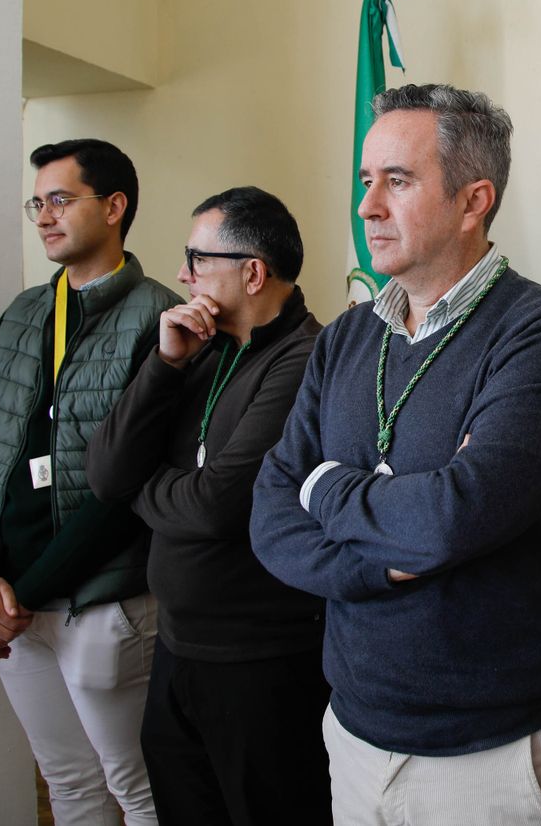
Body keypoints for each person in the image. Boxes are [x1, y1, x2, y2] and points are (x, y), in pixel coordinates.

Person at [250, 83, 541, 826]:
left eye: (397, 181)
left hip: (493, 753)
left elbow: (447, 519)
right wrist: (383, 558)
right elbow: (271, 513)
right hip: (354, 728)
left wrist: (325, 486)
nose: (367, 206)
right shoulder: (345, 338)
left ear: (474, 201)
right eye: (365, 181)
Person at [87, 187, 328, 825]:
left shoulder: (306, 359)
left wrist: (141, 487)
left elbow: (217, 506)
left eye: (197, 259)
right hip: (178, 648)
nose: (183, 274)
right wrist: (165, 364)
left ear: (253, 272)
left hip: (261, 661)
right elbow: (105, 472)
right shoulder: (198, 347)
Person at [0, 139, 178, 825]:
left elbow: (131, 488)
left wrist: (21, 594)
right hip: (12, 603)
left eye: (60, 199)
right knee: (68, 785)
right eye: (37, 203)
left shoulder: (159, 317)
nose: (45, 216)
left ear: (114, 207)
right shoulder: (24, 314)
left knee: (141, 789)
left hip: (104, 601)